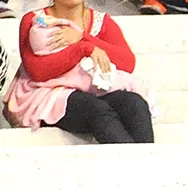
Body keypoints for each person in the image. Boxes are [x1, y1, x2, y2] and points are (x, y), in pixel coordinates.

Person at [2, 0, 154, 143]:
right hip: (47, 95)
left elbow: (127, 63)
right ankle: (137, 166)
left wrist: (82, 37)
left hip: (93, 90)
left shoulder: (101, 21)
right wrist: (82, 49)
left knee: (134, 103)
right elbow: (38, 72)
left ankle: (147, 164)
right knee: (96, 110)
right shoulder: (36, 20)